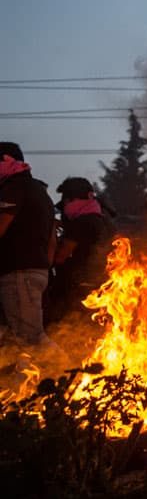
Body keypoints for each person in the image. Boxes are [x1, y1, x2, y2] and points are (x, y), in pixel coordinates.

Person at [0, 142, 57, 348]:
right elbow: (52, 241)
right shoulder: (40, 192)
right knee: (18, 341)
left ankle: (70, 374)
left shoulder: (13, 187)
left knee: (31, 339)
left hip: (19, 273)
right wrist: (42, 269)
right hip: (35, 272)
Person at [45, 177, 114, 324]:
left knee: (66, 329)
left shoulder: (81, 223)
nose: (66, 206)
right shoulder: (103, 221)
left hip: (76, 289)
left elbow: (60, 256)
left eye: (67, 201)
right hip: (102, 286)